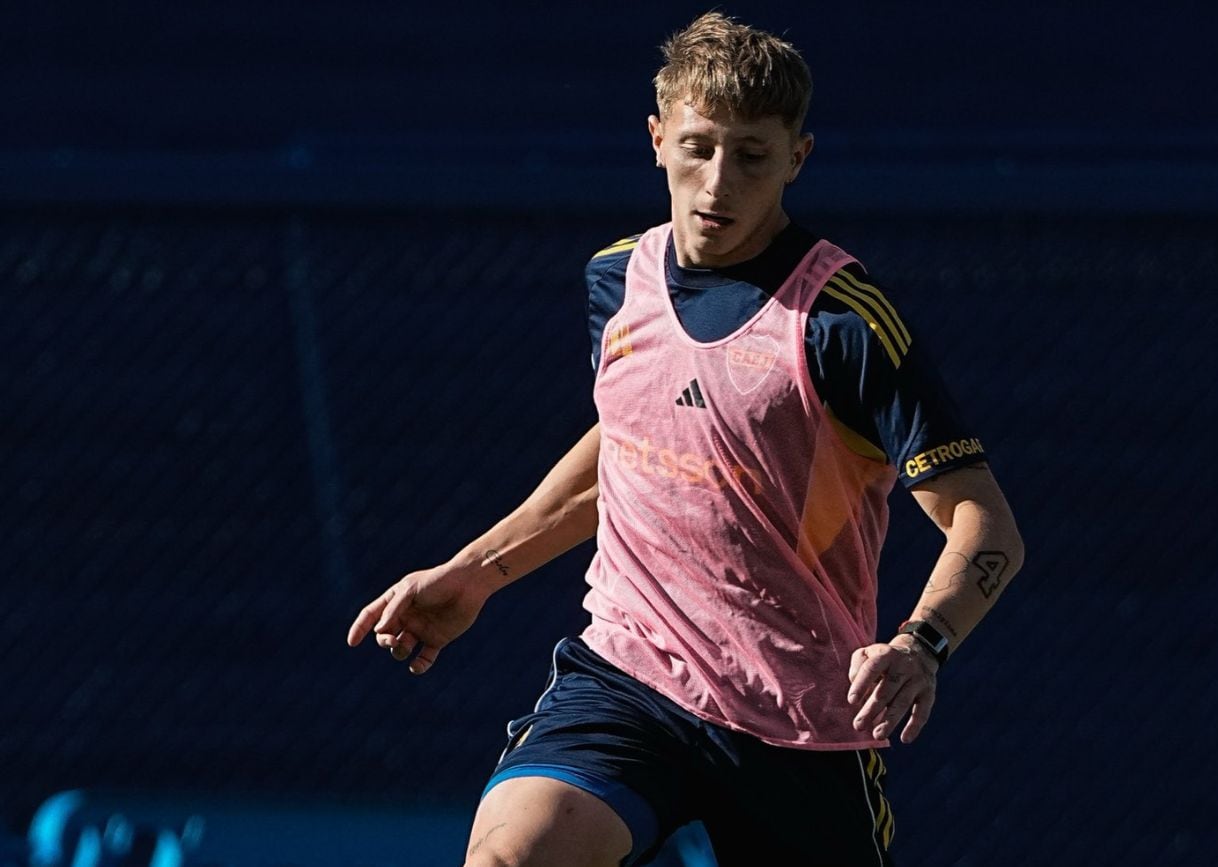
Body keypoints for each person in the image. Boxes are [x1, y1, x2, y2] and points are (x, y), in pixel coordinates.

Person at [347, 12, 1023, 866]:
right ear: (657, 138)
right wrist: (478, 571)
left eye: (751, 156)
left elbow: (985, 521)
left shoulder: (842, 321)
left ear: (797, 160)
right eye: (699, 147)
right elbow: (626, 446)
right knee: (512, 857)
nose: (718, 183)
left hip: (802, 725)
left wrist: (921, 643)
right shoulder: (615, 280)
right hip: (628, 682)